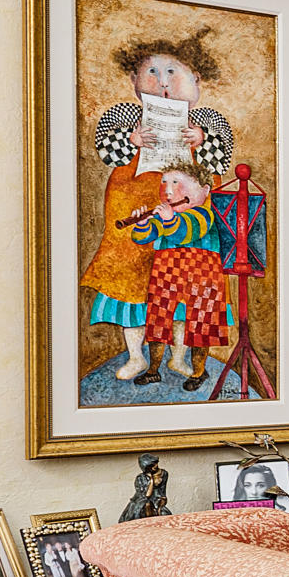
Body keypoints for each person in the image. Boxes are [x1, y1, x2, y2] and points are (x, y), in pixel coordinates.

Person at [82, 32, 234, 390]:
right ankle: (137, 355)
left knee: (182, 291)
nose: (163, 82)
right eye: (151, 72)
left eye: (172, 72)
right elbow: (107, 152)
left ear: (196, 80)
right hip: (132, 206)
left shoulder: (208, 121)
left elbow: (221, 161)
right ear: (133, 79)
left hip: (185, 222)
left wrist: (202, 139)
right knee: (130, 284)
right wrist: (131, 140)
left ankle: (179, 355)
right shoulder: (123, 116)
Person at [124, 167, 230, 391]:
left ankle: (198, 372)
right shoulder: (166, 215)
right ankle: (153, 370)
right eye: (165, 183)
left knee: (202, 323)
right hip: (166, 269)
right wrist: (142, 224)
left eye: (177, 183)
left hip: (203, 273)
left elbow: (186, 232)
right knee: (158, 318)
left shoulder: (204, 214)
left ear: (204, 191)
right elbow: (142, 237)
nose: (168, 191)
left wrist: (169, 219)